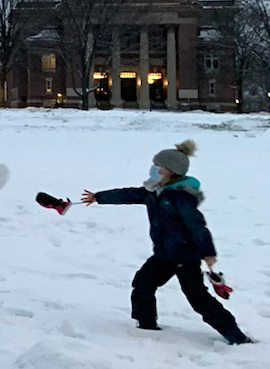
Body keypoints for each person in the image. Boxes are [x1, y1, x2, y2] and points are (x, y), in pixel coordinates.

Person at [81, 139, 252, 344]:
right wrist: (99, 197)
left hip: (184, 256)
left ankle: (235, 335)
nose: (153, 169)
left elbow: (197, 226)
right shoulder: (153, 191)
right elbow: (128, 194)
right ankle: (146, 326)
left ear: (170, 170)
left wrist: (208, 253)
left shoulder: (181, 197)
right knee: (143, 283)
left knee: (197, 298)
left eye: (158, 166)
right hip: (163, 254)